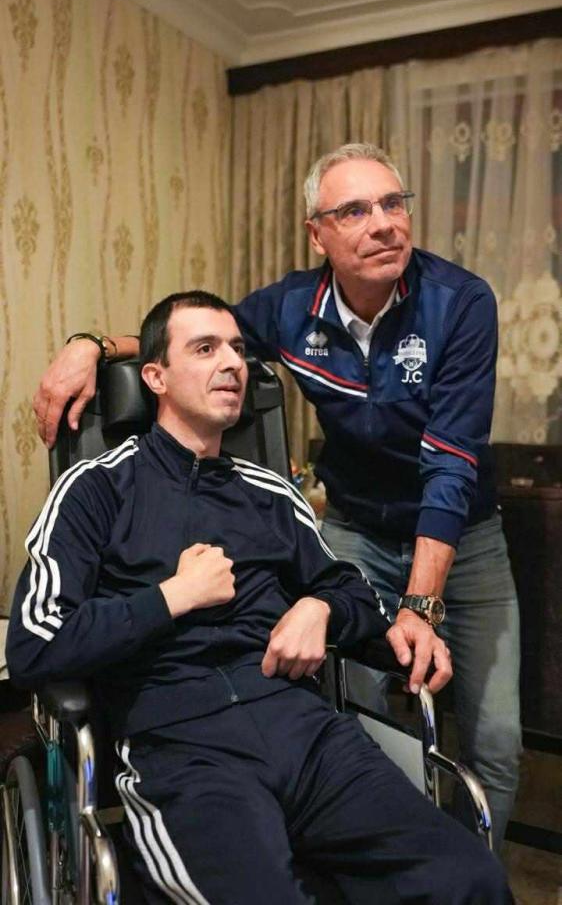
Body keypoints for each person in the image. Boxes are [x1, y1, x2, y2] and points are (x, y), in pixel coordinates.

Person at [33, 143, 521, 850]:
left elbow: (450, 465)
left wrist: (419, 605)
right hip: (356, 526)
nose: (383, 223)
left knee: (495, 738)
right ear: (317, 234)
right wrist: (93, 346)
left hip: (461, 534)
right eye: (355, 210)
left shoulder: (460, 301)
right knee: (356, 711)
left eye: (394, 203)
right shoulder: (292, 308)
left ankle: (461, 868)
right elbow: (192, 338)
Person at [9, 291, 512, 904]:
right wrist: (171, 597)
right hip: (182, 746)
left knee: (473, 879)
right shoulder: (96, 489)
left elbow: (352, 595)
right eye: (205, 348)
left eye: (237, 349)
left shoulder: (271, 494)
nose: (232, 363)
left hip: (308, 735)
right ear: (156, 377)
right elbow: (35, 644)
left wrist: (321, 609)